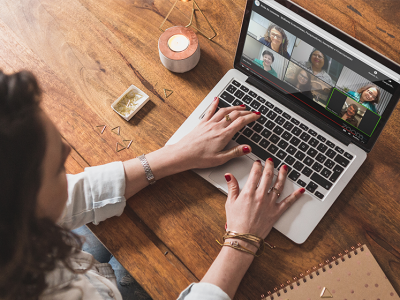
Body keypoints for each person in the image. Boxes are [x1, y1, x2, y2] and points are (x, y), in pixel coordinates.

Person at [0, 70, 305, 300]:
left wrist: (173, 156)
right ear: (21, 206)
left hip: (76, 260)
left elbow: (73, 195)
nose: (70, 169)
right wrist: (243, 240)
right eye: (59, 169)